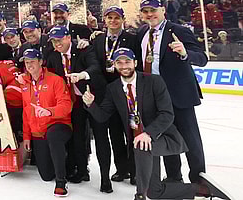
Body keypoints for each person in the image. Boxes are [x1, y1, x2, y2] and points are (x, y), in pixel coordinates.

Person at [82, 48, 232, 200]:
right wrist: (91, 104)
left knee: (142, 146)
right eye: (119, 62)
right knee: (154, 192)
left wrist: (148, 134)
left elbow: (167, 114)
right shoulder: (113, 88)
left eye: (127, 61)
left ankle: (140, 195)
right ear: (114, 65)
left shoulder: (154, 81)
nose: (124, 66)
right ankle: (203, 189)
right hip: (139, 142)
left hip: (162, 136)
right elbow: (102, 117)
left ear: (135, 62)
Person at [137, 0, 208, 183]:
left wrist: (185, 53)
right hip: (155, 97)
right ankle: (174, 177)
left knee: (190, 139)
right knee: (167, 138)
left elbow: (202, 58)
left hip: (178, 95)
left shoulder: (179, 31)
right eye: (145, 11)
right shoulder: (142, 32)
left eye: (153, 10)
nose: (149, 14)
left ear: (162, 10)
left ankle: (199, 179)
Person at [45, 24, 105, 187]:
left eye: (59, 40)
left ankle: (105, 178)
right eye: (53, 41)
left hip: (92, 96)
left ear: (67, 37)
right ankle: (82, 170)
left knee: (100, 137)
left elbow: (95, 67)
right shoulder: (53, 56)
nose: (57, 44)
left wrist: (82, 75)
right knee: (77, 136)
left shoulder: (82, 48)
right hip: (73, 101)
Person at [90, 6, 141, 185]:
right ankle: (122, 169)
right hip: (109, 94)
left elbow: (138, 64)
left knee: (132, 133)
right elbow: (96, 65)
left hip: (128, 92)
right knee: (116, 135)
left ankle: (135, 171)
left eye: (116, 18)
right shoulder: (98, 40)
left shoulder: (132, 39)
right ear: (105, 19)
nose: (113, 21)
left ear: (122, 19)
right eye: (109, 17)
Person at [20, 48, 73, 197]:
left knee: (53, 136)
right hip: (38, 130)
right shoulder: (24, 84)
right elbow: (25, 111)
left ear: (41, 62)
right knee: (46, 175)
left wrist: (49, 111)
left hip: (58, 124)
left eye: (32, 61)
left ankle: (61, 182)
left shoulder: (55, 80)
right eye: (26, 62)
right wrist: (26, 136)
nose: (29, 65)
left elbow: (66, 106)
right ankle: (62, 159)